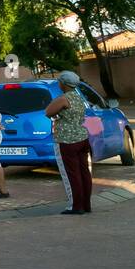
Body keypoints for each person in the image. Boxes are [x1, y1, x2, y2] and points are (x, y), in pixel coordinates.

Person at [44, 71, 92, 215]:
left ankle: (76, 206)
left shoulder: (64, 99)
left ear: (64, 84)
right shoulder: (79, 97)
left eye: (59, 81)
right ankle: (85, 204)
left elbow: (48, 112)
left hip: (66, 140)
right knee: (84, 172)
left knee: (71, 173)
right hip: (82, 138)